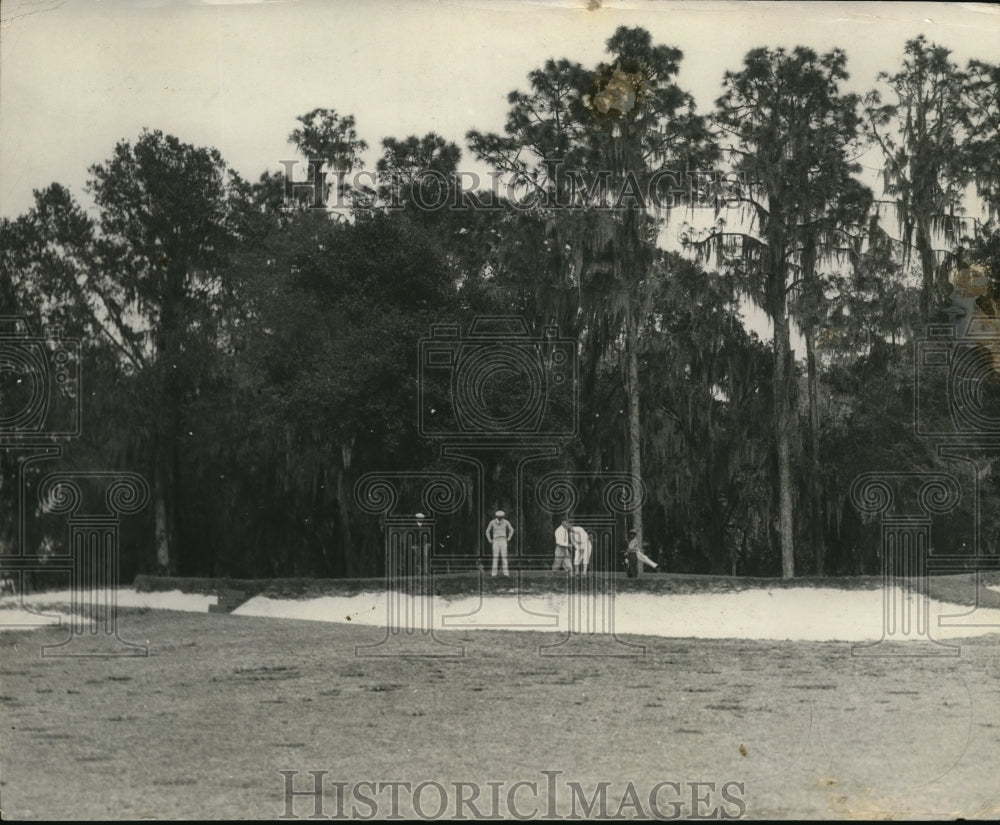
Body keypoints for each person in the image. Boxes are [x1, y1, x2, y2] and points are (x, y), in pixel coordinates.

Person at [485, 510, 514, 577]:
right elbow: (487, 531)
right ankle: (493, 574)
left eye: (501, 517)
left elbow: (511, 530)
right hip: (495, 541)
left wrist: (509, 538)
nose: (500, 518)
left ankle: (506, 574)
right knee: (495, 557)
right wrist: (490, 540)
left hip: (503, 541)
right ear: (496, 516)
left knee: (504, 557)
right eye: (499, 517)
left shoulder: (506, 522)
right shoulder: (492, 522)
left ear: (503, 516)